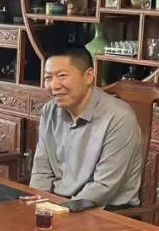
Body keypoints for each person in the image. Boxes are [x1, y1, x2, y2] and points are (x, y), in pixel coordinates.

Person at [29, 46, 143, 208]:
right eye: (48, 77)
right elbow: (41, 170)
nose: (54, 85)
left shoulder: (119, 118)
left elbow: (104, 186)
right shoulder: (50, 110)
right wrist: (36, 203)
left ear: (89, 76)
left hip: (105, 210)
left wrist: (61, 210)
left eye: (62, 76)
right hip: (58, 204)